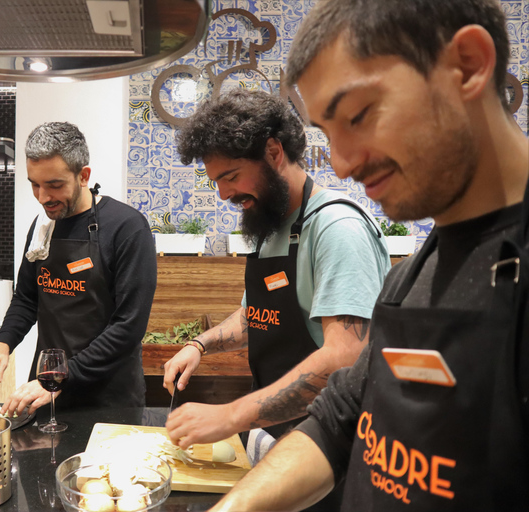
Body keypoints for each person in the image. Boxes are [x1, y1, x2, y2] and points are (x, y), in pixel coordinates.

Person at [210, 0, 529, 511]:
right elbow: (337, 421)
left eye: (358, 115)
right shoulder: (415, 276)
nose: (341, 163)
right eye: (328, 134)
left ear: (467, 64)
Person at [163, 89, 391, 476]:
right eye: (216, 181)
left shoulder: (337, 229)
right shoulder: (269, 226)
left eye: (230, 177)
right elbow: (258, 315)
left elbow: (346, 357)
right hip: (279, 436)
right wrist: (199, 345)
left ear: (273, 152)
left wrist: (232, 415)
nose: (223, 194)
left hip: (334, 451)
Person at [0, 122, 157, 415]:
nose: (42, 197)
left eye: (55, 185)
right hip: (47, 392)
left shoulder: (126, 228)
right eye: (34, 184)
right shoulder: (42, 227)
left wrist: (61, 375)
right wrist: (3, 343)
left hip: (109, 398)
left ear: (83, 175)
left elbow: (128, 327)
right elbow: (26, 298)